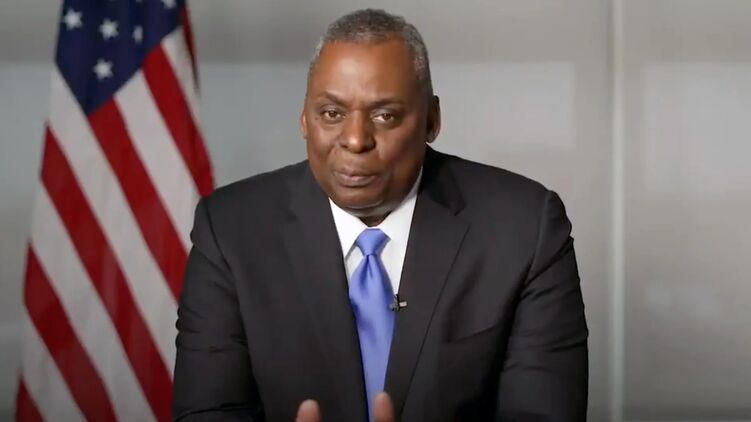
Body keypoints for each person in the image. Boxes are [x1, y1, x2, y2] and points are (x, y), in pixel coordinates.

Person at [172, 8, 588, 422]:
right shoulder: (230, 230)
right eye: (332, 114)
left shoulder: (524, 229)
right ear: (304, 119)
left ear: (431, 120)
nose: (355, 140)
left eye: (385, 115)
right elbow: (207, 413)